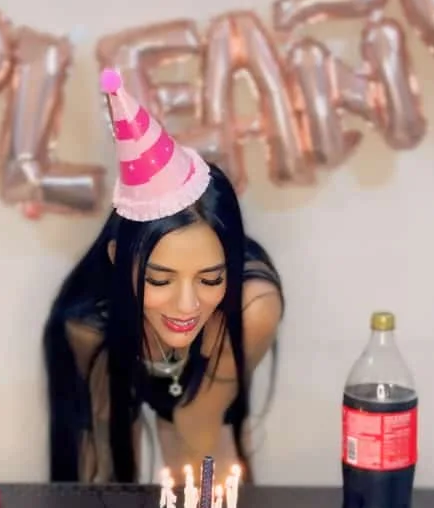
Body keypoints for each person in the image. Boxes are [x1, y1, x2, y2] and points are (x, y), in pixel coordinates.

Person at [43, 68, 284, 485]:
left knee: (211, 490)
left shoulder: (252, 308)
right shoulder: (88, 325)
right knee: (108, 486)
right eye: (160, 280)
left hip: (207, 383)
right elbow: (102, 471)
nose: (187, 305)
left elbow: (198, 433)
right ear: (120, 259)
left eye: (210, 279)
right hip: (112, 348)